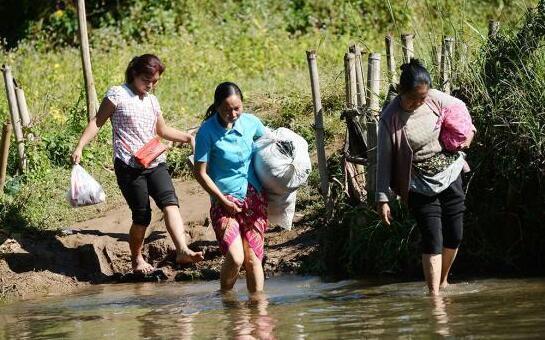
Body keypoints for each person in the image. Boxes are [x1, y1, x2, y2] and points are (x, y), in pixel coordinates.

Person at [71, 54, 204, 274]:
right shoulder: (117, 94)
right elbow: (98, 121)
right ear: (134, 74)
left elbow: (161, 131)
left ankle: (182, 250)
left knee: (170, 203)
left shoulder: (152, 100)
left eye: (155, 82)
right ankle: (137, 260)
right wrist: (80, 146)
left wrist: (187, 137)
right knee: (142, 215)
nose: (150, 85)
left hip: (155, 161)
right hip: (129, 166)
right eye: (146, 80)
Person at [376, 58, 475, 295]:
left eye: (422, 97)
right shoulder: (390, 118)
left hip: (450, 173)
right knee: (433, 238)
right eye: (413, 98)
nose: (418, 102)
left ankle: (442, 282)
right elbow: (384, 159)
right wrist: (382, 198)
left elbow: (461, 113)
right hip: (418, 182)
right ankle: (434, 297)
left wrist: (469, 133)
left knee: (456, 233)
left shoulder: (433, 99)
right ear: (401, 91)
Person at [193, 82, 268, 293]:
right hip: (224, 202)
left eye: (237, 108)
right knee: (236, 257)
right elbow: (200, 173)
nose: (233, 113)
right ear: (216, 107)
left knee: (253, 258)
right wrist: (222, 200)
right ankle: (226, 298)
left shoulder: (251, 123)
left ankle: (258, 311)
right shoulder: (206, 132)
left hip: (253, 199)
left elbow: (269, 143)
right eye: (227, 109)